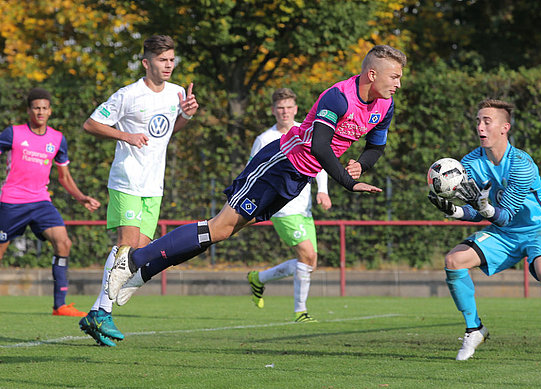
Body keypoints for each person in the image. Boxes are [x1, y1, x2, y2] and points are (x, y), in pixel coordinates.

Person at [105, 45, 406, 322]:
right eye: (394, 76)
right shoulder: (338, 97)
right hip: (278, 165)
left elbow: (376, 146)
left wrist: (361, 166)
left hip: (297, 179)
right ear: (372, 74)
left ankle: (141, 272)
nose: (398, 84)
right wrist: (347, 182)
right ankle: (133, 260)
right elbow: (320, 146)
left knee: (220, 232)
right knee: (219, 227)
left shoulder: (385, 105)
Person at [427, 99, 541, 364]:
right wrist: (456, 211)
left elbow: (504, 216)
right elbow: (481, 213)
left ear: (505, 128)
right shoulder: (469, 162)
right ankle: (474, 329)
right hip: (506, 233)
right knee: (454, 260)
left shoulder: (522, 165)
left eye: (487, 121)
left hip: (539, 228)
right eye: (478, 121)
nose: (480, 127)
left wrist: (482, 206)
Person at [78, 35, 198, 347]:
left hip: (153, 185)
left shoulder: (176, 93)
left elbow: (169, 130)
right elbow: (90, 124)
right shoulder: (128, 95)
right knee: (126, 246)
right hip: (127, 179)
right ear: (147, 63)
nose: (169, 65)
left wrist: (186, 115)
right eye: (162, 60)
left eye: (171, 59)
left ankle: (95, 313)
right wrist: (125, 136)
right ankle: (103, 312)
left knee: (135, 257)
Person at [0, 87, 101, 317]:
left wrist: (81, 197)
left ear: (50, 111)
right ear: (29, 110)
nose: (40, 112)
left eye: (45, 108)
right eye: (36, 108)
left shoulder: (57, 139)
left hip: (41, 202)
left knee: (64, 243)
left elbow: (64, 176)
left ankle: (60, 305)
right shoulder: (12, 134)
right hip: (12, 202)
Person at [246, 88, 331, 323]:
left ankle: (259, 278)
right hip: (281, 208)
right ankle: (300, 312)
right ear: (274, 110)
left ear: (295, 109)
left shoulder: (307, 130)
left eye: (288, 107)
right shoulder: (264, 139)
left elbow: (321, 161)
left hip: (304, 209)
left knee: (310, 262)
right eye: (280, 108)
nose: (284, 112)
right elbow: (252, 170)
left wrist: (322, 191)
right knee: (307, 253)